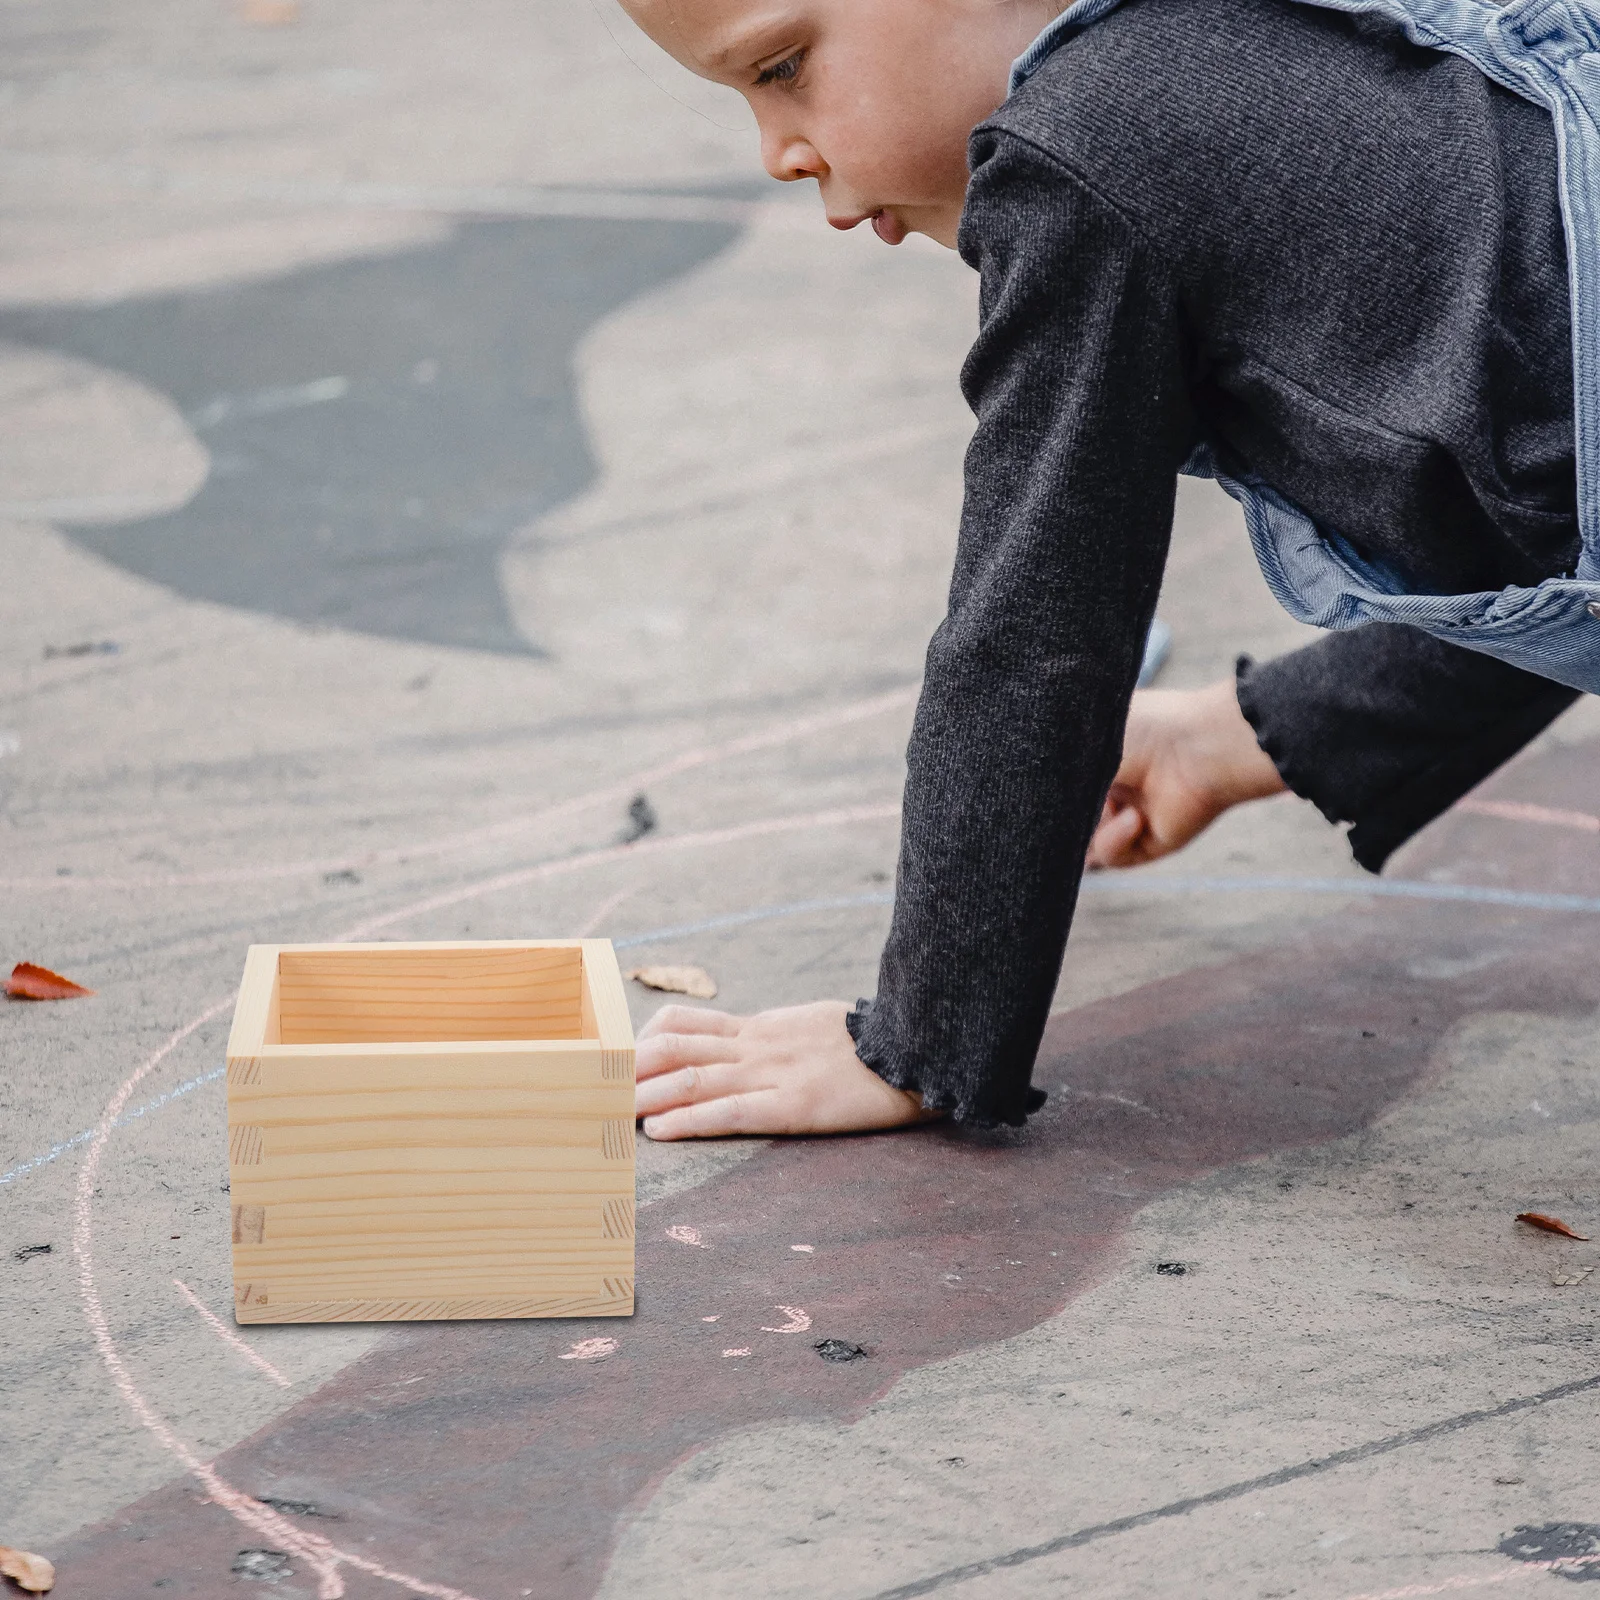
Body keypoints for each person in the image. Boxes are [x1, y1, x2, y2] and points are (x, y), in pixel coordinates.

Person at [627, 0, 1600, 1139]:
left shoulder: (1084, 148)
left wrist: (921, 1040)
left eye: (785, 67)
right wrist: (1249, 731)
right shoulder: (1262, 73)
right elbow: (1537, 510)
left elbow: (1034, 625)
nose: (778, 151)